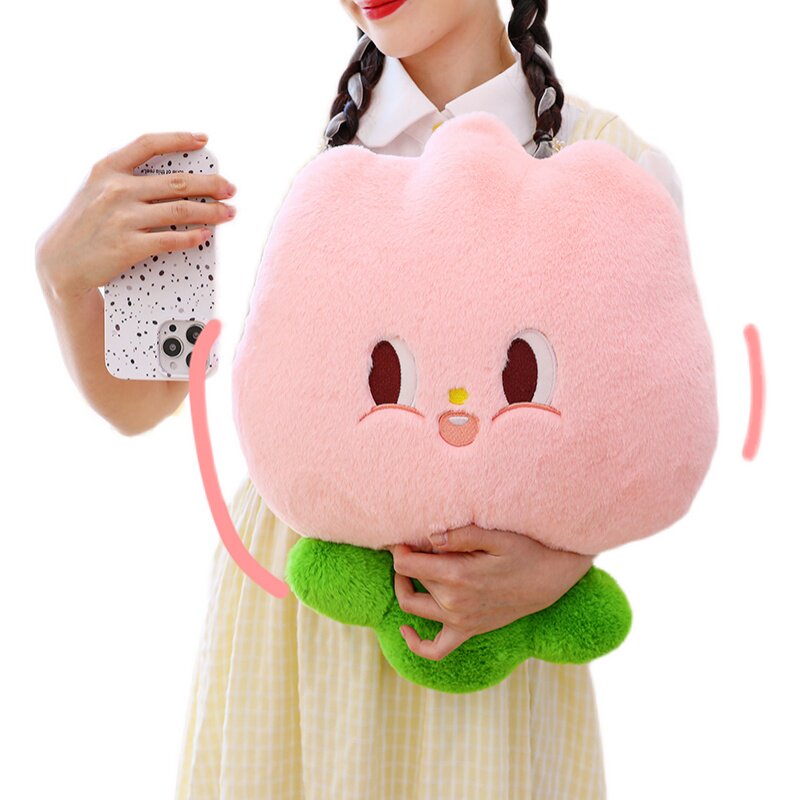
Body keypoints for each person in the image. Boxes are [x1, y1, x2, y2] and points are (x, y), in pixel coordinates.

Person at [35, 1, 683, 798]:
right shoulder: (254, 138)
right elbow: (144, 403)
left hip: (491, 638)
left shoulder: (609, 167)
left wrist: (556, 571)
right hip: (295, 629)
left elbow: (638, 439)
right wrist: (66, 284)